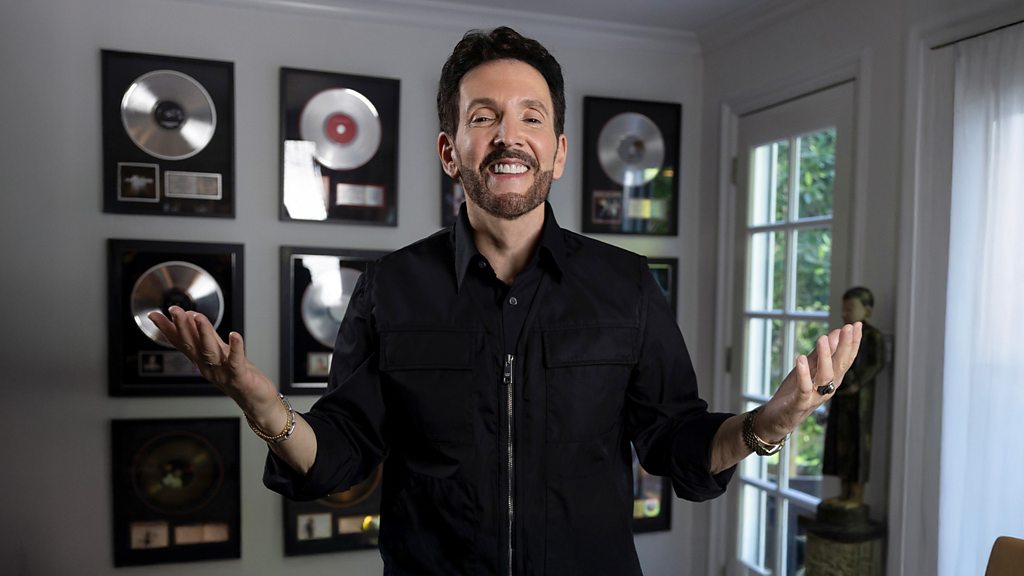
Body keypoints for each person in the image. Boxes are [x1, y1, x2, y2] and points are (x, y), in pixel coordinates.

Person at [148, 27, 862, 576]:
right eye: (484, 116)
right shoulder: (389, 287)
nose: (508, 136)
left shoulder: (625, 285)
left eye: (530, 118)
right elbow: (341, 455)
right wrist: (264, 407)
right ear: (449, 150)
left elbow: (676, 444)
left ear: (558, 150)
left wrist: (767, 423)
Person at [823, 286, 885, 506]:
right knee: (841, 444)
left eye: (849, 308)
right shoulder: (842, 335)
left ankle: (856, 495)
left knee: (857, 444)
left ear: (866, 310)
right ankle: (843, 492)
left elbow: (877, 363)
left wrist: (858, 383)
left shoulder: (873, 336)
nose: (844, 313)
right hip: (842, 395)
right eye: (843, 308)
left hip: (860, 399)